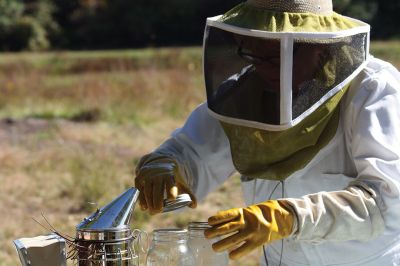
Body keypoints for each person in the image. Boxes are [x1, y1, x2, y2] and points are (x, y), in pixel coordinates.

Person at [135, 0, 400, 265]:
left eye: (277, 55)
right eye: (254, 54)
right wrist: (166, 166)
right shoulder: (245, 93)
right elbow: (191, 151)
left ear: (318, 45)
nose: (265, 68)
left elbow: (387, 204)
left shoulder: (372, 91)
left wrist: (290, 216)